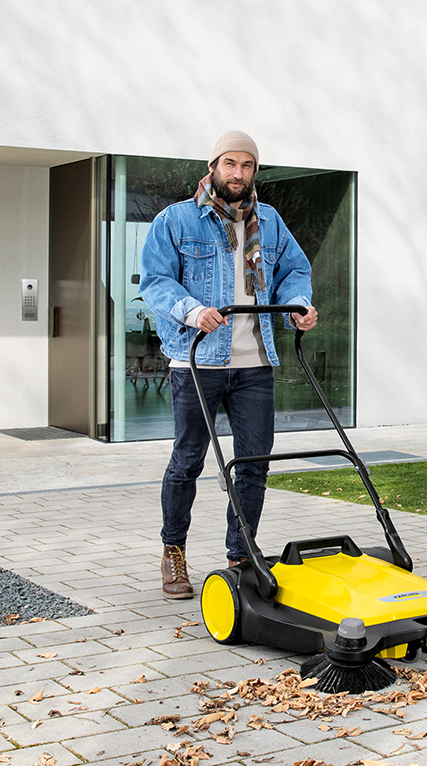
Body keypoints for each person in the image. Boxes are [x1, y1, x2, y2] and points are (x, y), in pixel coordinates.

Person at [140, 130, 317, 598]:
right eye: (230, 164)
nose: (238, 173)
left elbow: (295, 271)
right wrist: (193, 310)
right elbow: (155, 282)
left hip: (255, 363)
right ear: (214, 166)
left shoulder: (270, 222)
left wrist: (298, 305)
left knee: (254, 464)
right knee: (188, 460)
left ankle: (241, 555)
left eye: (247, 165)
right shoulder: (176, 220)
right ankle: (174, 551)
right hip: (198, 362)